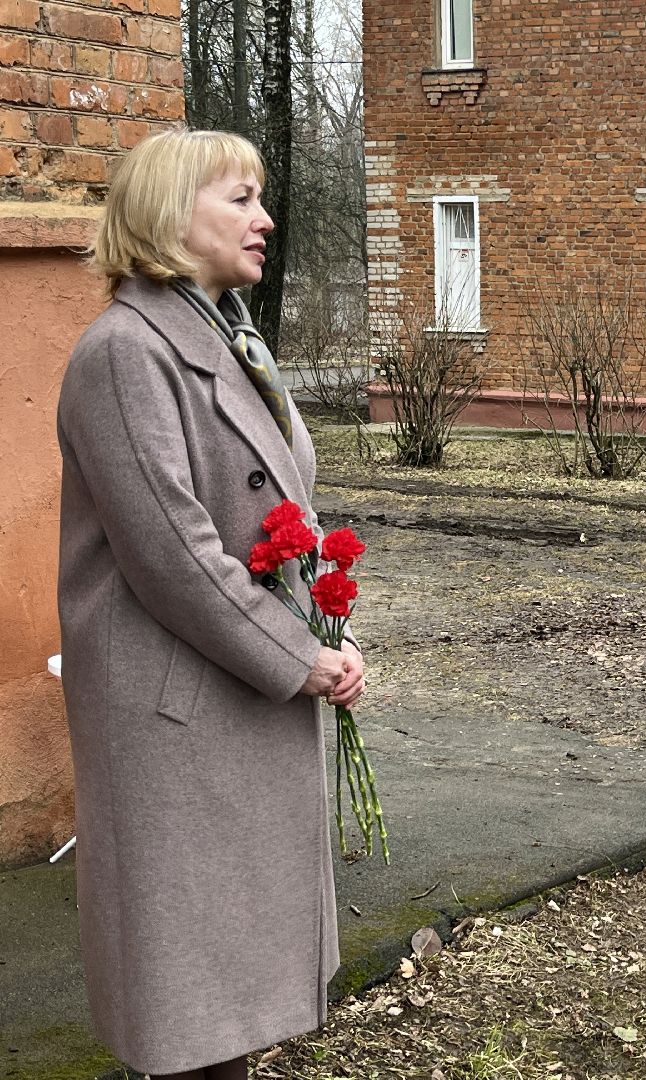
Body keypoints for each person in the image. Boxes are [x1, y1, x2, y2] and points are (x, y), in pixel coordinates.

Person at [57, 128, 363, 1078]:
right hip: (175, 705)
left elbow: (278, 511)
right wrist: (298, 653)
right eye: (238, 198)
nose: (264, 218)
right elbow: (172, 556)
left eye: (260, 198)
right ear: (165, 214)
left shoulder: (223, 336)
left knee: (217, 986)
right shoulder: (124, 352)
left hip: (225, 685)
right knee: (185, 983)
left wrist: (327, 622)